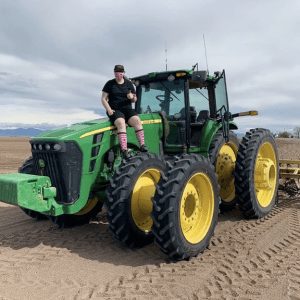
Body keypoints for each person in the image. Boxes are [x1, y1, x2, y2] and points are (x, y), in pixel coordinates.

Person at [101, 64, 147, 158]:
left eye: (120, 73)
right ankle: (124, 150)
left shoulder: (129, 84)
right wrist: (109, 110)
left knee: (137, 121)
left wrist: (132, 97)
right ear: (114, 73)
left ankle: (142, 145)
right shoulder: (110, 84)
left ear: (123, 73)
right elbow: (103, 99)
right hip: (114, 109)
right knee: (121, 123)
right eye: (117, 73)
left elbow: (135, 99)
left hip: (127, 109)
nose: (118, 75)